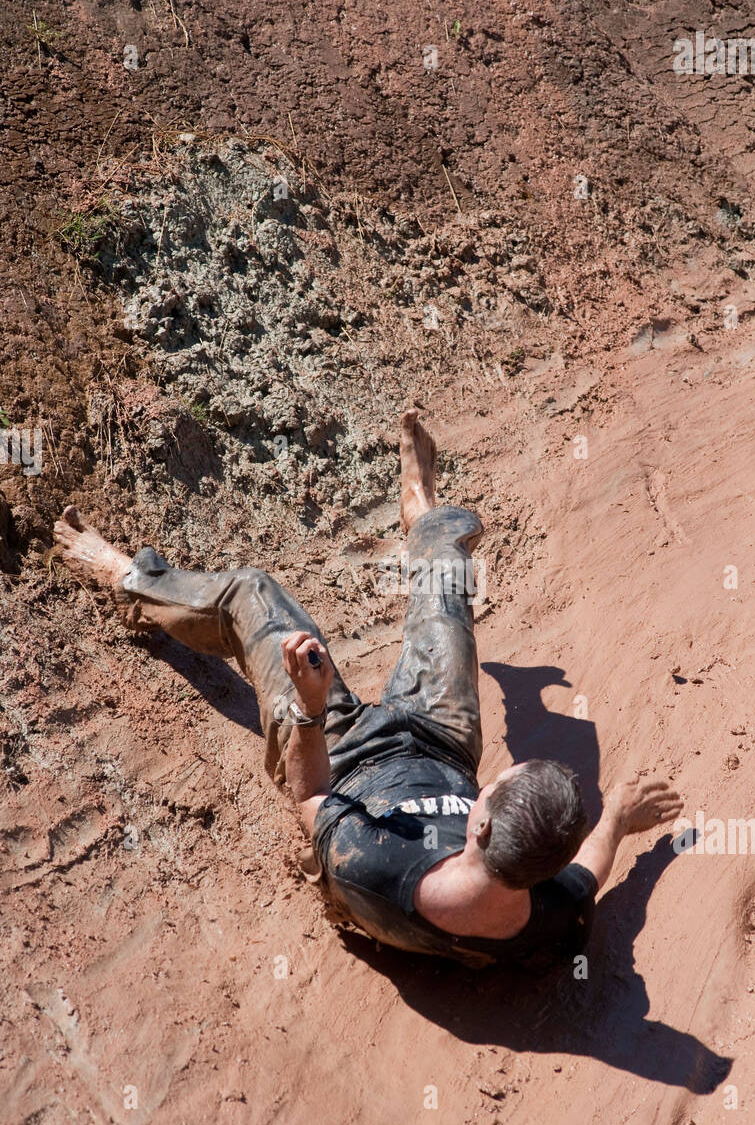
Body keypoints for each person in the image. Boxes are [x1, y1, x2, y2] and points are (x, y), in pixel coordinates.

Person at [53, 412, 682, 969]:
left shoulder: (372, 865)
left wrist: (309, 705)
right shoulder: (546, 906)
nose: (498, 777)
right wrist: (620, 818)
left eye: (495, 790)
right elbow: (587, 873)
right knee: (446, 577)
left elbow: (310, 792)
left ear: (481, 828)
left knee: (253, 595)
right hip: (441, 745)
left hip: (340, 753)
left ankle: (127, 576)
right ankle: (423, 515)